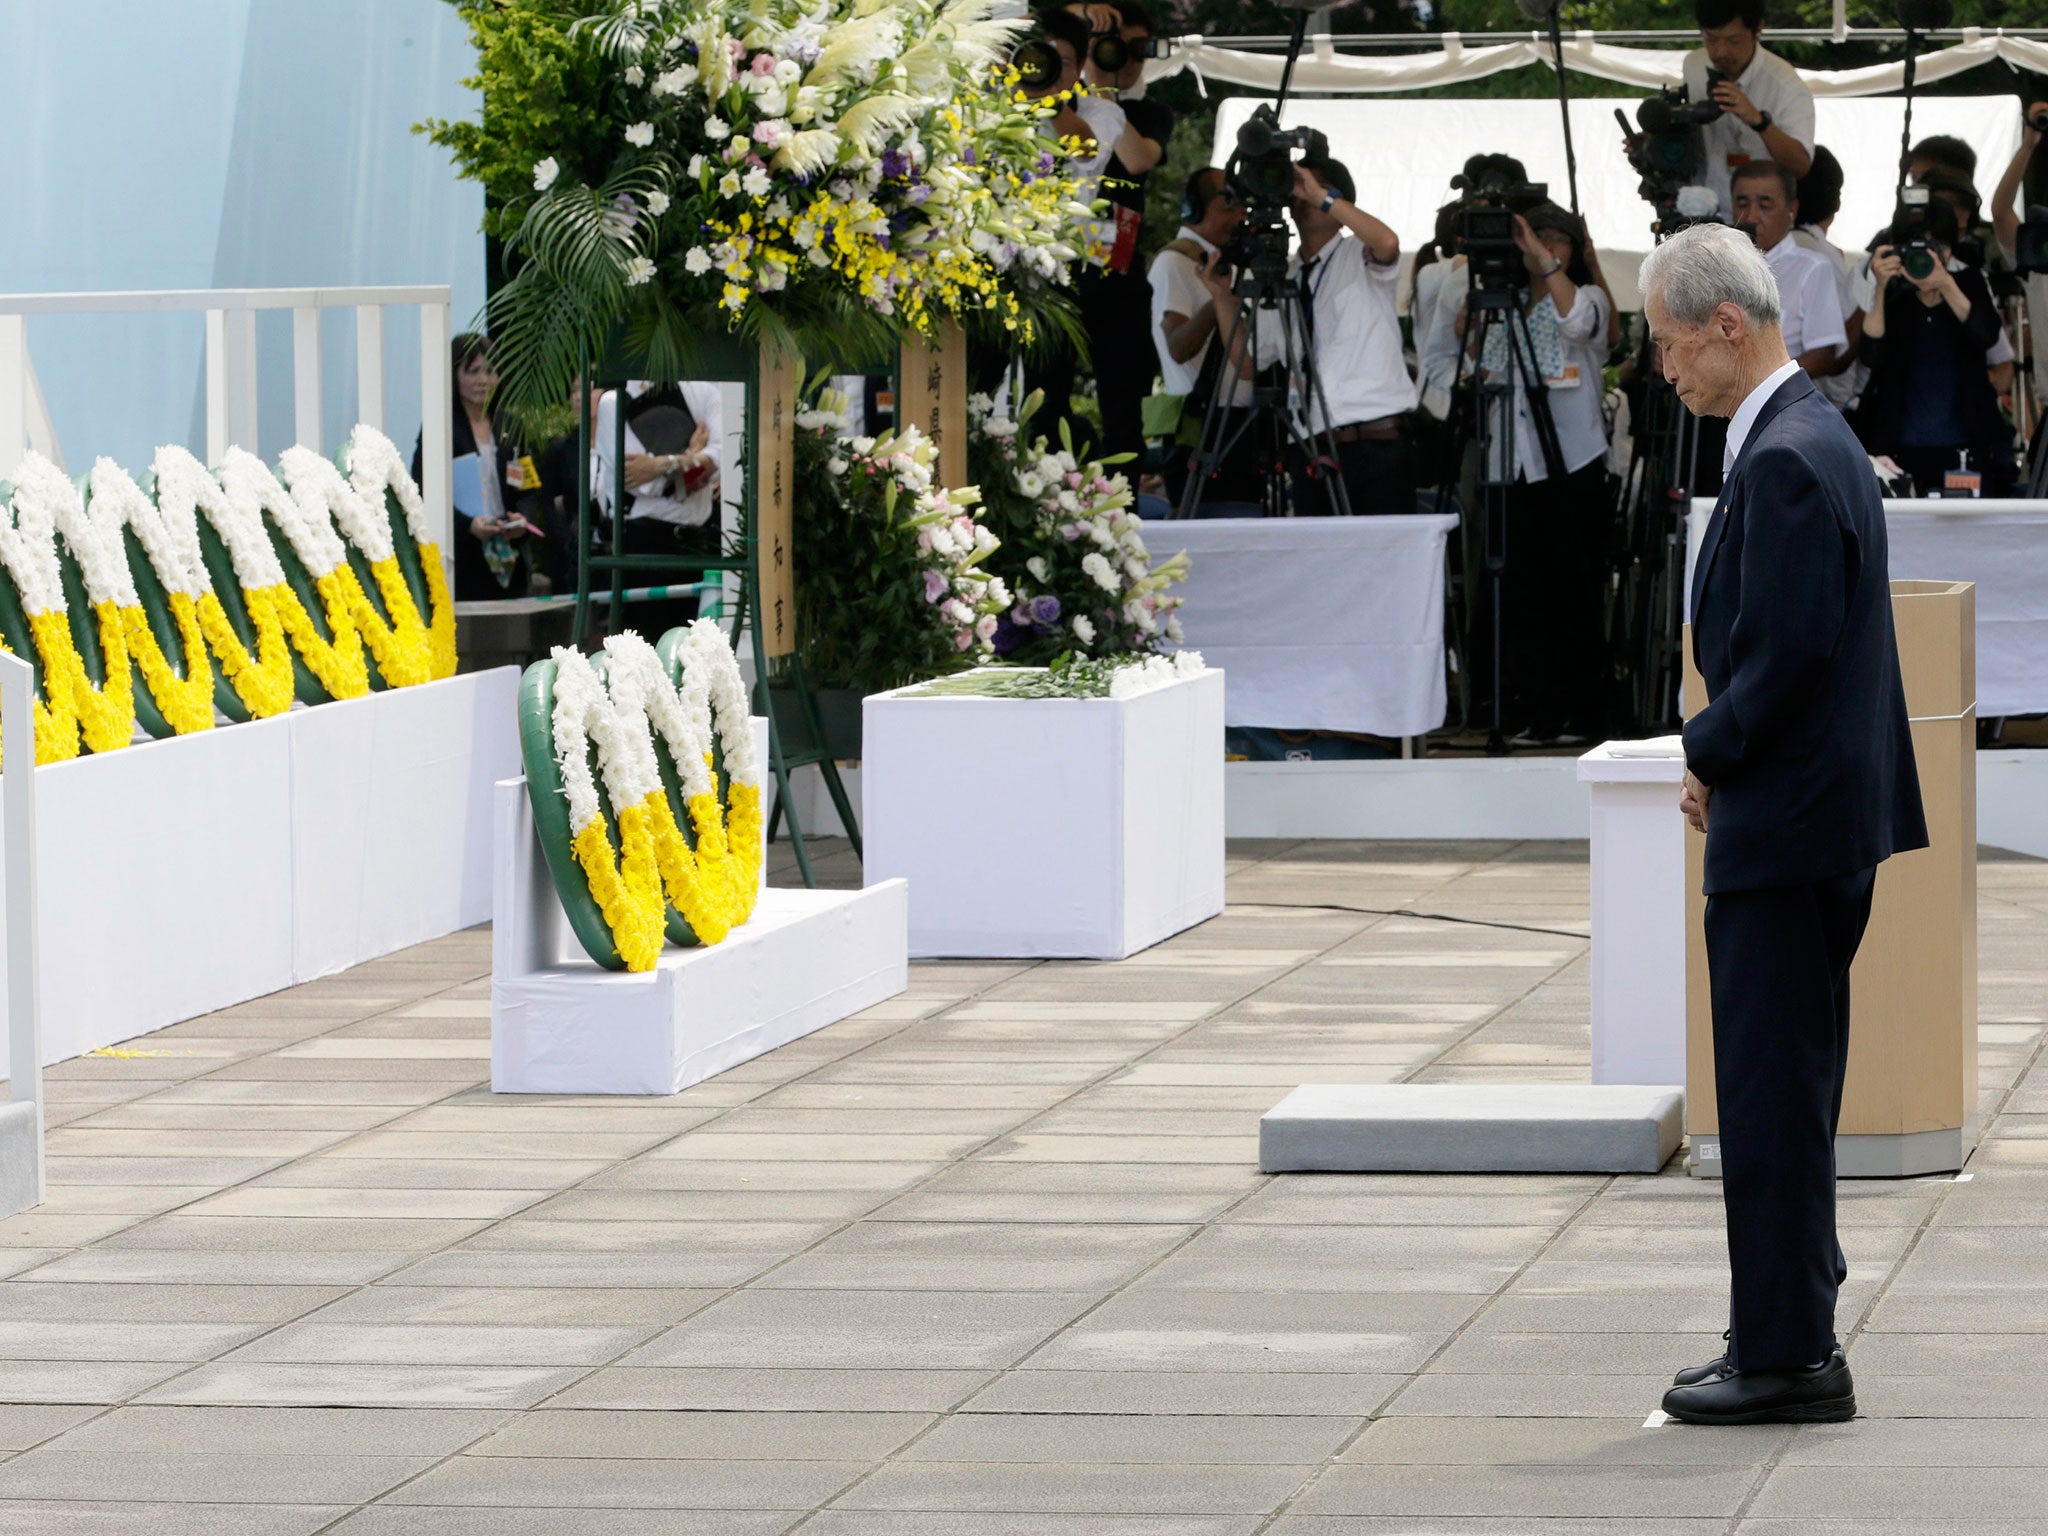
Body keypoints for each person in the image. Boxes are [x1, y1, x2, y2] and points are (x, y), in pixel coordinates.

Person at [1641, 221, 1925, 1427]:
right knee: (1781, 1086)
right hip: (1807, 815)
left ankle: (1788, 1355)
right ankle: (1785, 1307)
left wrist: (1705, 751)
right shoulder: (1800, 438)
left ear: (1725, 325)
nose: (1662, 373)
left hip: (1791, 826)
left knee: (1765, 1094)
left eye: (1666, 347)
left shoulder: (1787, 459)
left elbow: (1790, 656)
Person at [1465, 205, 1613, 744]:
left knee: (1571, 592)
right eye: (1535, 239)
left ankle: (1583, 712)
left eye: (1559, 241)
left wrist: (1547, 260)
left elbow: (1578, 323)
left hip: (1571, 462)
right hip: (1514, 464)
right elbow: (1475, 370)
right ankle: (1532, 707)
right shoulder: (1505, 307)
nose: (1545, 248)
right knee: (1523, 597)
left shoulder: (1587, 297)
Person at [1270, 157, 1419, 516]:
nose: (1304, 198)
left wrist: (1321, 195)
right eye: (1298, 190)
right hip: (1311, 443)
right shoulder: (1284, 276)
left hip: (1375, 442)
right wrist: (1219, 294)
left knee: (1382, 564)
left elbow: (1387, 241)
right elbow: (1247, 363)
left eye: (1316, 189)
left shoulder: (1358, 252)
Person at [1065, 0, 1172, 466]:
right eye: (1114, 48)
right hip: (1061, 261)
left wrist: (1104, 92)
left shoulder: (1148, 111)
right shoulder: (1063, 102)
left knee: (1124, 396)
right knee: (1050, 387)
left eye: (1138, 52)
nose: (1127, 61)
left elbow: (1136, 158)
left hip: (1119, 263)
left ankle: (1124, 502)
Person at [1017, 6, 1126, 456]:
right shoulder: (1004, 101)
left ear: (1080, 67)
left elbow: (1084, 149)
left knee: (1048, 394)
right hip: (996, 259)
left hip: (1061, 273)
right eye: (1038, 58)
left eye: (1059, 62)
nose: (1046, 70)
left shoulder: (1102, 112)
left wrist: (1047, 98)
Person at [1857, 197, 2017, 497]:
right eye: (1915, 250)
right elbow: (1871, 355)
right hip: (1899, 448)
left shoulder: (1968, 281)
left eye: (1936, 249)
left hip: (1965, 445)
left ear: (1949, 249)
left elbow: (1986, 334)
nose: (1925, 260)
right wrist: (1879, 287)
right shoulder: (1894, 293)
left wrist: (1945, 284)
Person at [1149, 167, 1258, 507]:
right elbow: (1178, 347)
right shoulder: (1176, 262)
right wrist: (1218, 302)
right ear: (1195, 208)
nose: (1240, 215)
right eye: (1228, 204)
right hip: (1200, 427)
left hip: (1241, 424)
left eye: (1243, 206)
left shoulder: (1232, 262)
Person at [411, 334, 544, 601]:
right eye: (472, 372)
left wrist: (522, 519)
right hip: (459, 562)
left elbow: (529, 489)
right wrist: (469, 525)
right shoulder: (440, 428)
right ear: (454, 376)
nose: (483, 380)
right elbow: (420, 492)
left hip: (510, 558)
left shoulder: (511, 426)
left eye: (490, 371)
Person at [592, 379, 723, 631]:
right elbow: (636, 479)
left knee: (698, 652)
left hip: (698, 542)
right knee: (645, 651)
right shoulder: (613, 402)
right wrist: (693, 457)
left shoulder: (703, 392)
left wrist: (661, 465)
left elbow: (720, 458)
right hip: (644, 544)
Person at [1684, 0, 1814, 222]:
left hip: (1761, 222)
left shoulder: (1785, 84)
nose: (1721, 51)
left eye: (1733, 40)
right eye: (1711, 39)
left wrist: (1759, 121)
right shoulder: (1693, 65)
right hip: (1703, 214)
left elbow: (1800, 165)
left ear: (1758, 29)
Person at [1729, 162, 1846, 380]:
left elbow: (1823, 355)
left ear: (1792, 210)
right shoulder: (1720, 263)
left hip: (1777, 405)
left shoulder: (1812, 268)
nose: (1751, 217)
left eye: (1765, 206)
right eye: (1742, 204)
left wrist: (1761, 383)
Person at [1787, 147, 1867, 411]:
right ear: (1836, 201)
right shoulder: (1821, 257)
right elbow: (1838, 351)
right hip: (1817, 401)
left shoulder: (1778, 248)